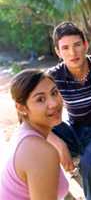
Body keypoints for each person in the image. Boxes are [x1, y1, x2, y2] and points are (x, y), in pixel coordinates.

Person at [47, 22, 91, 200]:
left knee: (89, 161)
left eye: (77, 45)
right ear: (58, 52)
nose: (72, 53)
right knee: (36, 138)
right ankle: (59, 194)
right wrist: (58, 143)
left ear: (85, 45)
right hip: (76, 130)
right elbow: (27, 116)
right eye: (65, 48)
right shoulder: (53, 76)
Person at [0, 69, 69, 200]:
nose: (54, 103)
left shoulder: (23, 133)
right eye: (40, 99)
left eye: (54, 93)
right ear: (22, 108)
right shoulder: (39, 151)